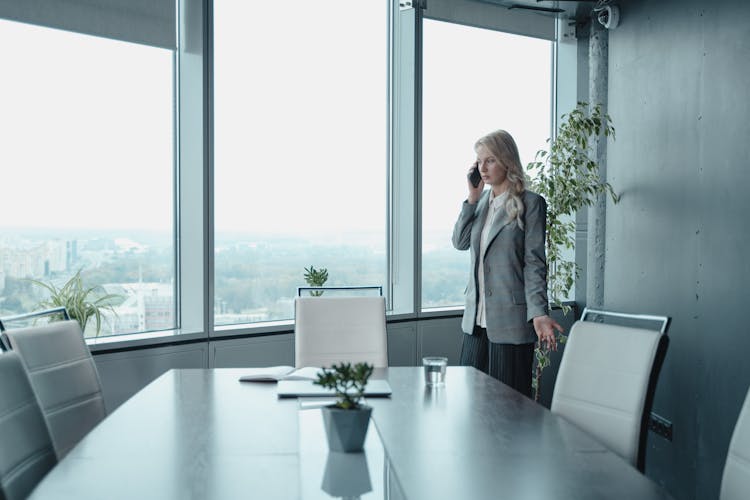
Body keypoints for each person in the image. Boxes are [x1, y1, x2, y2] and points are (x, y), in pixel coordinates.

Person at [452, 129, 563, 398]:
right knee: (470, 403)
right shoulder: (479, 206)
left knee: (509, 407)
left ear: (507, 160)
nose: (483, 167)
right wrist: (472, 197)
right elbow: (460, 241)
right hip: (475, 324)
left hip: (511, 323)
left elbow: (534, 262)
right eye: (479, 161)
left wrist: (538, 313)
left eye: (490, 160)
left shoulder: (531, 203)